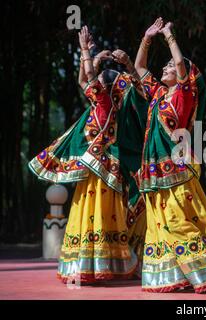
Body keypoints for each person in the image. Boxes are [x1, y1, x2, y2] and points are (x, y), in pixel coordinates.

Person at [28, 26, 148, 284]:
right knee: (101, 217)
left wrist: (86, 50)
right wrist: (94, 60)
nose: (97, 80)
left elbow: (90, 82)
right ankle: (105, 266)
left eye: (104, 78)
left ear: (109, 88)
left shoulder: (104, 105)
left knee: (92, 216)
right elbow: (86, 81)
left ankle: (92, 266)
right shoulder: (102, 105)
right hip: (102, 171)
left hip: (99, 175)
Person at [134, 17, 206, 293]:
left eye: (170, 67)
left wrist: (169, 36)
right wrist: (147, 37)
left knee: (179, 221)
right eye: (163, 66)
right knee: (159, 225)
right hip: (153, 174)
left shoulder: (184, 94)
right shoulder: (157, 94)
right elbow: (140, 66)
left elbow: (179, 64)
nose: (165, 68)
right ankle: (173, 277)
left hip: (176, 171)